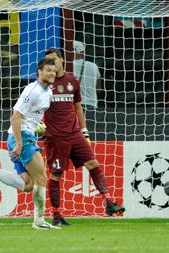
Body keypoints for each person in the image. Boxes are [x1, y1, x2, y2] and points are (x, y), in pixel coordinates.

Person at [0, 58, 59, 230]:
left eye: (54, 71)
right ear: (39, 72)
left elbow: (30, 116)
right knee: (41, 177)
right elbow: (16, 116)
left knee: (28, 185)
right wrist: (19, 144)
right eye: (48, 70)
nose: (52, 73)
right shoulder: (32, 90)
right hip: (22, 137)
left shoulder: (48, 92)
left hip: (25, 135)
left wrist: (36, 126)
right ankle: (39, 221)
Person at [42, 48, 124, 226]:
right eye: (47, 61)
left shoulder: (72, 81)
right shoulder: (44, 84)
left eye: (53, 60)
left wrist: (84, 130)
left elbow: (78, 107)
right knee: (56, 175)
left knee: (93, 164)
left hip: (74, 133)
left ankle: (109, 202)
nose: (51, 64)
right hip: (56, 137)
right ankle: (56, 216)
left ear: (62, 60)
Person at [73, 41, 102, 110]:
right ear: (82, 52)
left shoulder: (67, 66)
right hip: (91, 104)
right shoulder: (94, 66)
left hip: (75, 105)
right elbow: (99, 89)